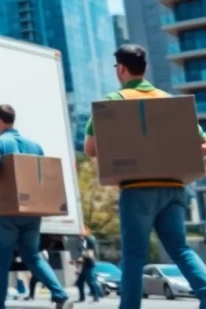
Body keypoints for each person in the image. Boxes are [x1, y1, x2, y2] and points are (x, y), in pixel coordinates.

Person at [84, 44, 206, 309]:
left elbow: (90, 149)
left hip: (137, 188)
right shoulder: (169, 100)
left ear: (120, 69)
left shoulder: (112, 101)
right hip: (174, 188)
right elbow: (202, 144)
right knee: (181, 249)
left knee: (134, 256)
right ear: (146, 68)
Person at [0, 104, 72, 309]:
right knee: (33, 257)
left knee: (1, 260)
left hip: (8, 213)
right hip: (32, 212)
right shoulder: (35, 146)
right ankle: (61, 296)